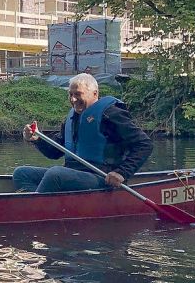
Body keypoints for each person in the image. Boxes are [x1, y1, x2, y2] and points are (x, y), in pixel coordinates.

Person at [13, 73, 152, 194]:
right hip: (73, 175)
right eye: (71, 94)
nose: (73, 99)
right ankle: (40, 203)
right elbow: (54, 153)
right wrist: (36, 139)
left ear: (95, 94)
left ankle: (35, 207)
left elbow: (144, 144)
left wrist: (122, 173)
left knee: (55, 174)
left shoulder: (111, 114)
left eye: (78, 94)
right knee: (21, 173)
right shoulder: (73, 117)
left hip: (101, 177)